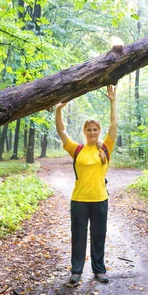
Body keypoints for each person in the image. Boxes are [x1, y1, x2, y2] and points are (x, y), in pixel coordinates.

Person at [55, 85, 118, 284]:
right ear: (84, 131)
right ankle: (76, 271)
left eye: (95, 129)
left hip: (100, 199)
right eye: (89, 129)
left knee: (99, 236)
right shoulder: (77, 149)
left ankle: (99, 270)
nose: (92, 132)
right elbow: (61, 130)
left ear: (99, 131)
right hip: (79, 200)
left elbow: (114, 124)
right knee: (79, 236)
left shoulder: (106, 147)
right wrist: (58, 110)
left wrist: (112, 101)